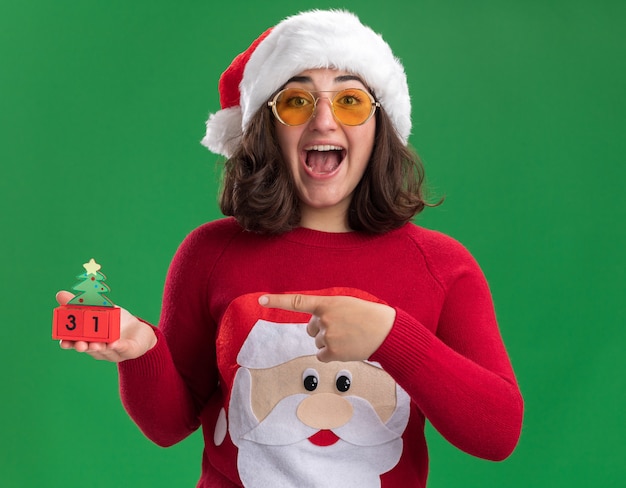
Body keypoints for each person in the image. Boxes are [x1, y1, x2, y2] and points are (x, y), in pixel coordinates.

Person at [56, 9, 523, 487]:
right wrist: (143, 351)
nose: (323, 121)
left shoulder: (442, 267)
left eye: (350, 101)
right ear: (267, 128)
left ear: (380, 126)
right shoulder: (209, 254)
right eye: (297, 101)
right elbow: (168, 426)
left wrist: (394, 338)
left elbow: (498, 433)